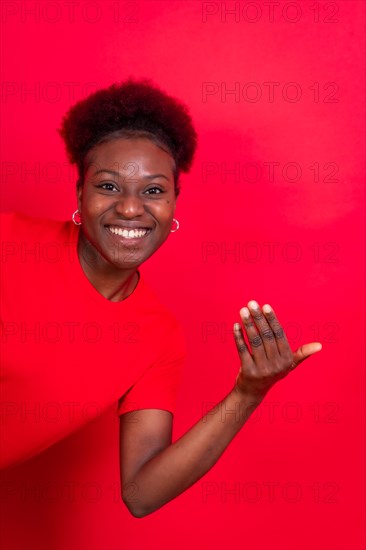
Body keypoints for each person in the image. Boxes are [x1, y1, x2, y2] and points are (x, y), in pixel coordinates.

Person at [0, 79, 322, 519]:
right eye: (108, 187)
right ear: (80, 193)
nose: (131, 209)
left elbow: (142, 492)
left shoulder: (157, 339)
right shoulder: (10, 243)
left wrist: (248, 393)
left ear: (173, 204)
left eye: (153, 191)